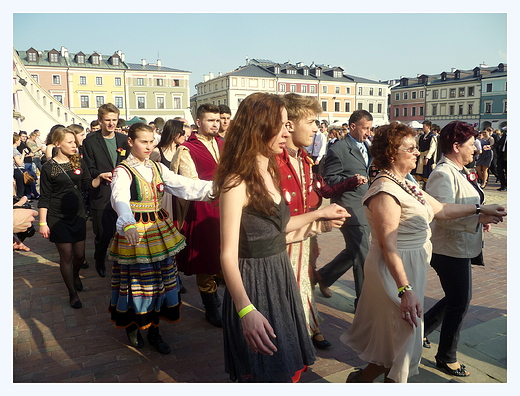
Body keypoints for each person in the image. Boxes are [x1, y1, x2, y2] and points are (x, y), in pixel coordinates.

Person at [340, 122, 506, 383]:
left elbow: (441, 209)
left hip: (410, 267)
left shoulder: (406, 182)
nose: (417, 153)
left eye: (416, 147)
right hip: (393, 273)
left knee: (397, 341)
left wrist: (479, 209)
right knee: (403, 342)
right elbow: (388, 246)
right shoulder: (385, 190)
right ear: (392, 153)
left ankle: (361, 379)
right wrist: (405, 291)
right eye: (410, 148)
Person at [213, 92, 349, 382]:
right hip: (254, 283)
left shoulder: (270, 170)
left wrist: (319, 216)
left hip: (279, 275)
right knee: (264, 371)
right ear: (260, 127)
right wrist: (245, 309)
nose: (288, 131)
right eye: (283, 124)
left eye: (289, 124)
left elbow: (279, 226)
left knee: (283, 367)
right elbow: (227, 254)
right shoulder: (237, 180)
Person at [107, 122, 213, 354]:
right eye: (143, 142)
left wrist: (218, 187)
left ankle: (154, 329)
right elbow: (119, 198)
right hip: (135, 233)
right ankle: (133, 325)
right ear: (131, 142)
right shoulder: (123, 171)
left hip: (158, 231)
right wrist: (127, 223)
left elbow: (184, 185)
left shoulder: (157, 167)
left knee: (162, 282)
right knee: (138, 283)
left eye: (151, 141)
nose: (148, 146)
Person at [422, 121, 497, 377]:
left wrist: (481, 219)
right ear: (456, 146)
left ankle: (420, 330)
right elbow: (441, 213)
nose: (475, 150)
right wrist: (478, 215)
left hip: (459, 246)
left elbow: (463, 207)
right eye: (470, 145)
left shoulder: (458, 169)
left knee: (456, 298)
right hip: (448, 249)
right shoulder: (443, 173)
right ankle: (446, 356)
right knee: (460, 301)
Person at [38, 128, 112, 309]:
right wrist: (42, 223)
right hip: (57, 216)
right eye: (69, 142)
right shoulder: (49, 168)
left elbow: (88, 184)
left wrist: (100, 178)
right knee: (67, 255)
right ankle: (72, 293)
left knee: (79, 256)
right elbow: (45, 197)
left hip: (77, 214)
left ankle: (75, 274)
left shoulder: (78, 162)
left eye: (74, 141)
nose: (74, 145)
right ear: (57, 144)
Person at [175, 103, 224, 327]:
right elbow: (189, 184)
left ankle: (225, 297)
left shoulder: (224, 144)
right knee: (205, 258)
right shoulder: (187, 149)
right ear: (198, 122)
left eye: (218, 120)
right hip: (203, 208)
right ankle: (211, 306)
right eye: (211, 120)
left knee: (227, 253)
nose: (216, 124)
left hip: (228, 207)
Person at [316, 110, 371, 305]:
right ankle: (364, 305)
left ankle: (324, 276)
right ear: (353, 126)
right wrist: (351, 181)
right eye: (365, 128)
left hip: (364, 206)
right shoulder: (338, 148)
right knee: (364, 255)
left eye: (370, 129)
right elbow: (329, 180)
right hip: (348, 207)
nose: (368, 133)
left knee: (354, 250)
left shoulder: (367, 146)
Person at [83, 103, 130, 277]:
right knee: (103, 233)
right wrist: (100, 175)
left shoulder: (123, 140)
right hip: (102, 193)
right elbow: (89, 167)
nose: (111, 124)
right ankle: (99, 259)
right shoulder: (90, 141)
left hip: (123, 193)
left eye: (114, 120)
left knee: (122, 231)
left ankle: (120, 261)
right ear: (100, 120)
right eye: (108, 120)